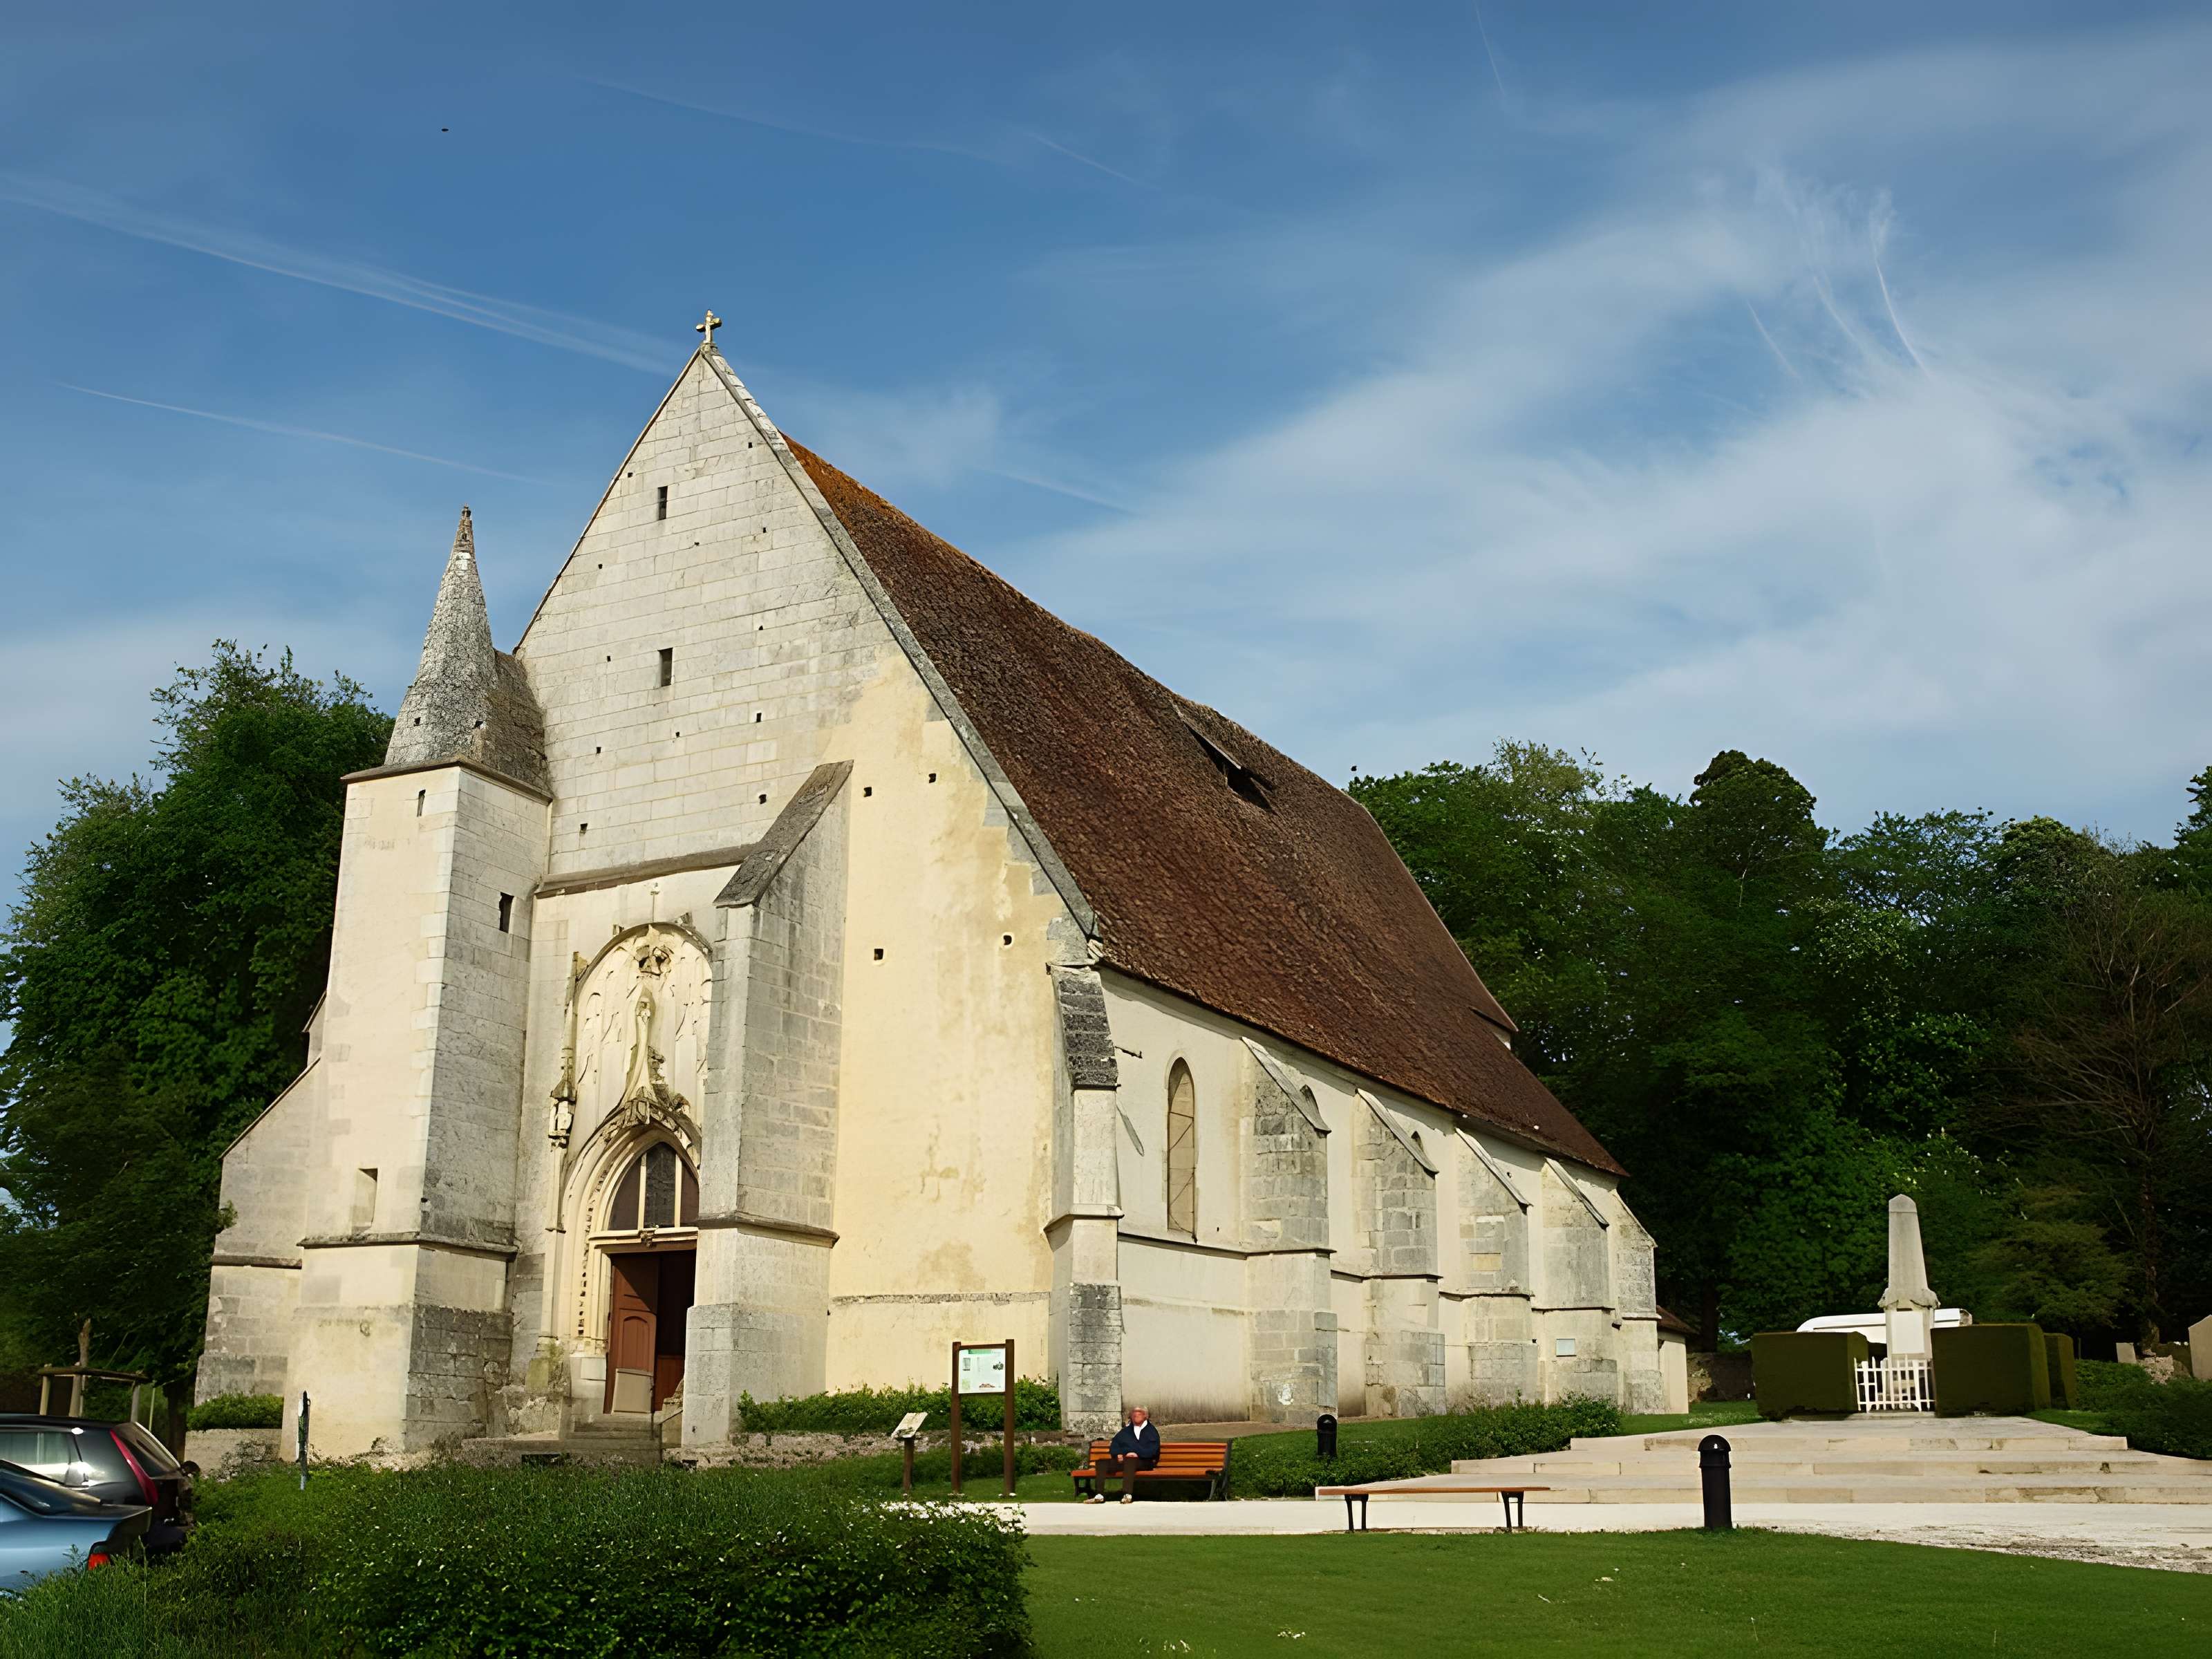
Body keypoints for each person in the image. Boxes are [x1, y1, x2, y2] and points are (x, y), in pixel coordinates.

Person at [1086, 1405, 1161, 1504]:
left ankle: (1127, 1494)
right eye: (1134, 1412)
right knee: (1101, 1463)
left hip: (1145, 1462)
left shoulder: (1152, 1431)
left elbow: (1152, 1451)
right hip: (1125, 1460)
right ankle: (1099, 1495)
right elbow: (1115, 1445)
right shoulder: (1125, 1431)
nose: (1136, 1414)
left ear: (1145, 1416)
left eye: (1140, 1412)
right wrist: (1118, 1454)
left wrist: (1135, 1453)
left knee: (1130, 1460)